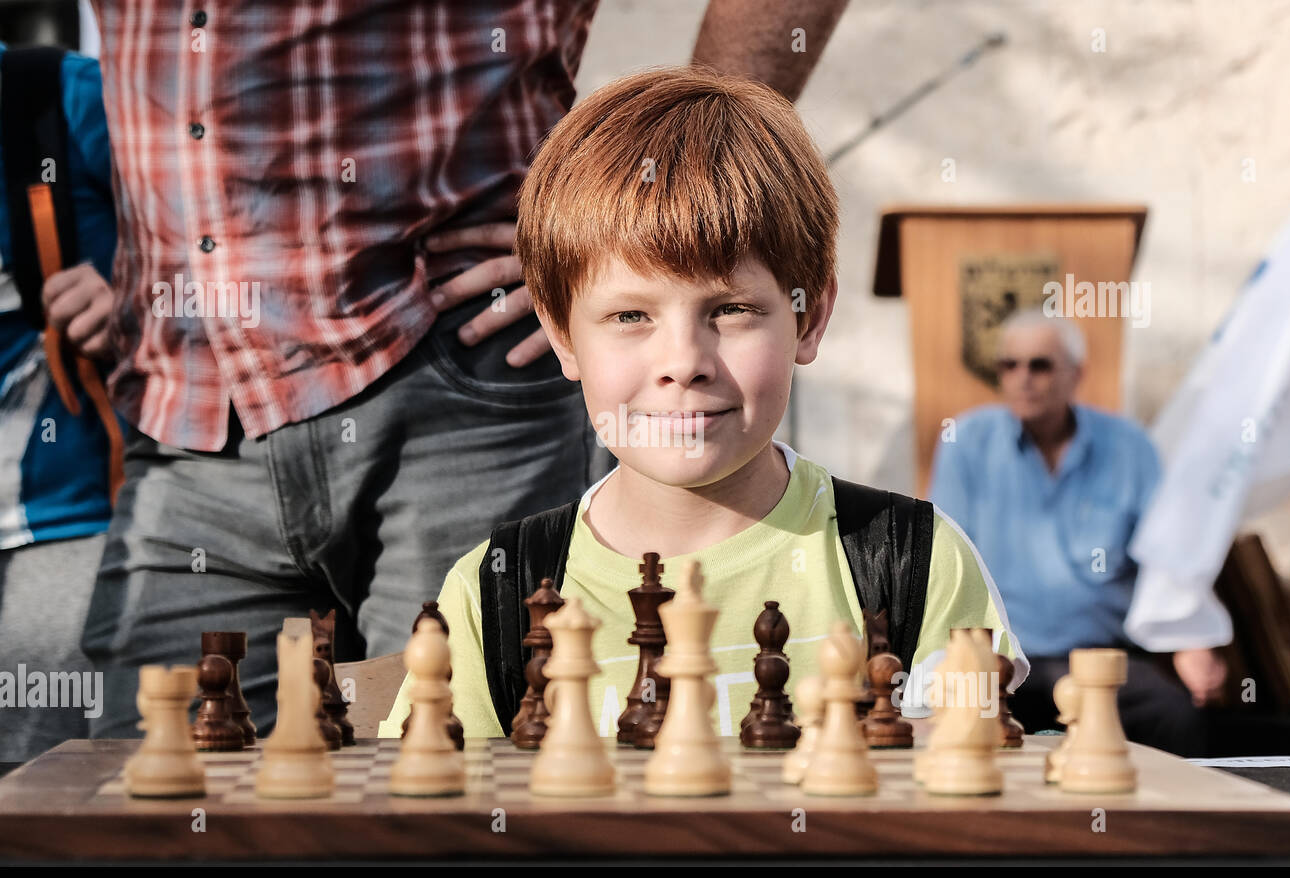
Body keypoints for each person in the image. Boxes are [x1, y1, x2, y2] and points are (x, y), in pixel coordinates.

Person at [81, 0, 852, 738]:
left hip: (462, 387)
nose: (685, 358)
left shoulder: (896, 560)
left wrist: (665, 208)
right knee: (155, 815)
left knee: (451, 808)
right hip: (187, 407)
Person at [380, 65, 1025, 738]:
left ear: (809, 318)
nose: (684, 362)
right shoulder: (495, 591)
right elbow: (441, 825)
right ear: (562, 337)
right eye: (631, 316)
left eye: (733, 309)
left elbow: (972, 808)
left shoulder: (915, 562)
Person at [929, 309, 1226, 757]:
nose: (1023, 378)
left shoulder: (1131, 447)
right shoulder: (966, 442)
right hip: (1001, 663)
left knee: (1178, 717)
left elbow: (1166, 555)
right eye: (1009, 365)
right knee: (949, 736)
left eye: (1040, 365)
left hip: (1102, 661)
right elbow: (945, 561)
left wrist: (1190, 640)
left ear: (1076, 373)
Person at [0, 44, 118, 761]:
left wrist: (132, 298)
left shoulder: (62, 95)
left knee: (40, 800)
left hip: (63, 524)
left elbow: (235, 235)